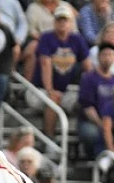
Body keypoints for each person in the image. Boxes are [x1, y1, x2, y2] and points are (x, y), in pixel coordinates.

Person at [29, 5, 89, 138]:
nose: (62, 23)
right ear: (54, 22)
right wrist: (50, 90)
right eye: (59, 20)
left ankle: (79, 143)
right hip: (40, 89)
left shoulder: (77, 39)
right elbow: (45, 63)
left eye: (65, 20)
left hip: (67, 90)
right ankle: (49, 139)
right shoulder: (46, 38)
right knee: (53, 100)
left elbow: (88, 65)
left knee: (87, 100)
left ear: (71, 23)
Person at [78, 43, 114, 158]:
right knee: (92, 134)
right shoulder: (88, 78)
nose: (107, 58)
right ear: (98, 57)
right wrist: (102, 124)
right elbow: (87, 107)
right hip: (91, 121)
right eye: (104, 54)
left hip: (112, 121)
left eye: (111, 55)